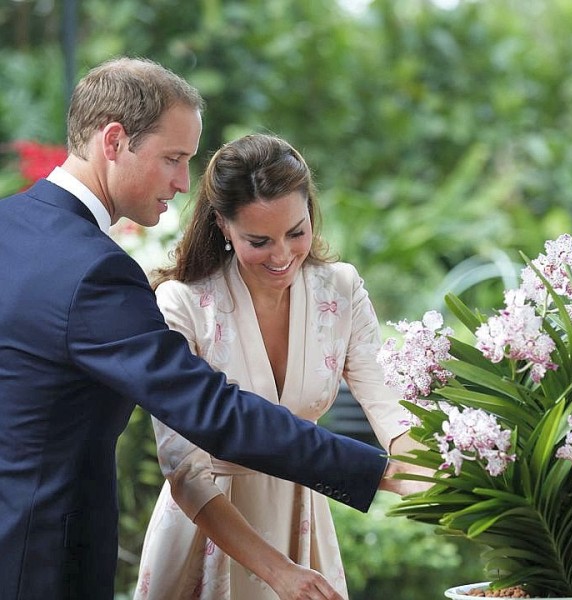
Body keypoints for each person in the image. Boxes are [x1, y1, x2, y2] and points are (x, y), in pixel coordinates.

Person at [0, 57, 419, 600]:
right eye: (173, 158)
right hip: (40, 562)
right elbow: (213, 413)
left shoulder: (10, 227)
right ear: (114, 140)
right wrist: (377, 472)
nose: (182, 181)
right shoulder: (95, 271)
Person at [133, 133, 417, 600]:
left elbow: (394, 415)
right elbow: (183, 468)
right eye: (259, 240)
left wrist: (453, 492)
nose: (282, 256)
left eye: (296, 232)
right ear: (223, 225)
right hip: (210, 529)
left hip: (302, 525)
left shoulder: (340, 291)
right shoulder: (182, 303)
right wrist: (279, 572)